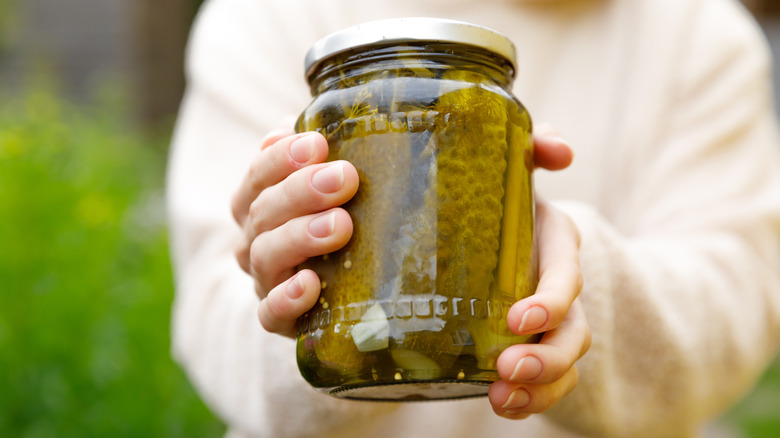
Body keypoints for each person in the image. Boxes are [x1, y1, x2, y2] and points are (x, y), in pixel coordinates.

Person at [165, 0, 780, 437]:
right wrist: (310, 312)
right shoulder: (267, 14)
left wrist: (566, 278)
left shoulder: (702, 31)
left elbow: (742, 295)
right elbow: (211, 311)